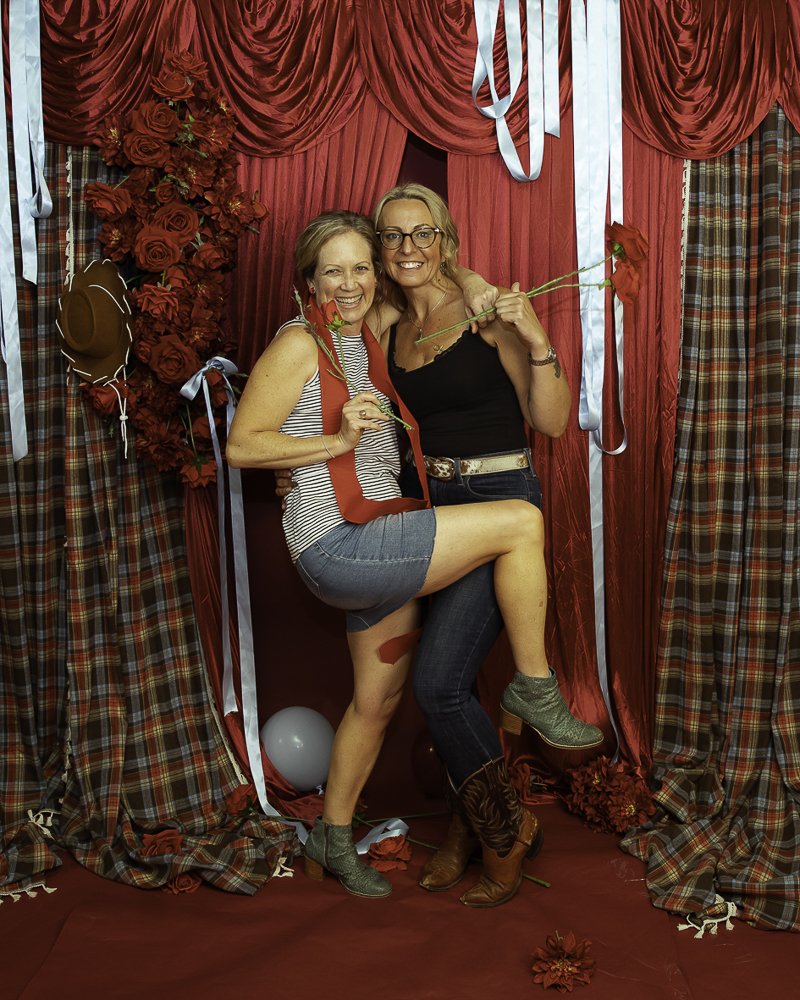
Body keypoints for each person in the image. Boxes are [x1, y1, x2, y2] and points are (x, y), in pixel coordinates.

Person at [227, 210, 596, 906]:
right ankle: (535, 687)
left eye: (360, 267)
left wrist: (480, 282)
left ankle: (332, 840)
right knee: (521, 522)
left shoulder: (368, 338)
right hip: (341, 546)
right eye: (332, 270)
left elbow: (438, 280)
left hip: (380, 541)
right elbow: (243, 445)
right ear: (308, 279)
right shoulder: (302, 343)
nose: (349, 281)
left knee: (378, 700)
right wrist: (329, 447)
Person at [366, 184, 602, 904]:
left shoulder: (484, 313)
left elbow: (554, 422)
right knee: (455, 684)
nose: (409, 248)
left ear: (448, 241)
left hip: (500, 507)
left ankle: (505, 833)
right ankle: (473, 825)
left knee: (437, 681)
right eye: (394, 236)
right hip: (433, 512)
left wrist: (533, 337)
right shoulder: (384, 324)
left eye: (423, 233)